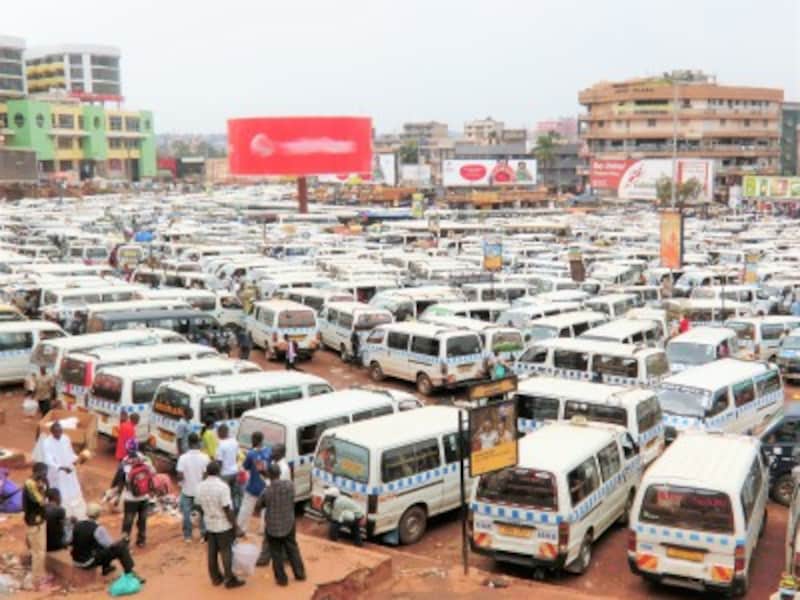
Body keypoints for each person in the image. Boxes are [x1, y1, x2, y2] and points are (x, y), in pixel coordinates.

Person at [195, 462, 245, 589]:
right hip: (223, 525)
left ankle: (216, 578)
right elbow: (227, 509)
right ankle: (229, 579)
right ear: (219, 472)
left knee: (212, 552)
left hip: (210, 524)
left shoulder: (200, 486)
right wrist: (236, 527)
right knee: (226, 551)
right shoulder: (222, 487)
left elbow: (198, 506)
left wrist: (207, 515)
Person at [255, 464, 306, 587]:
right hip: (288, 523)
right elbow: (293, 498)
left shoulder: (266, 491)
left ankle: (282, 580)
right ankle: (300, 574)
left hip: (272, 527)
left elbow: (258, 507)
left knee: (276, 553)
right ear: (279, 473)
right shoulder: (289, 485)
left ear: (269, 475)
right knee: (292, 548)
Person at [72, 503, 143, 581]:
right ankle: (130, 572)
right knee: (120, 548)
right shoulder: (98, 529)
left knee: (99, 545)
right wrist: (123, 540)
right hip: (87, 562)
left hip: (76, 560)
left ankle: (106, 568)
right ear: (98, 515)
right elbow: (111, 545)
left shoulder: (78, 525)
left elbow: (70, 541)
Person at [39, 422, 84, 518]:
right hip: (56, 470)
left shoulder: (66, 438)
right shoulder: (47, 442)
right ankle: (59, 507)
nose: (59, 434)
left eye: (60, 431)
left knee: (72, 488)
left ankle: (73, 505)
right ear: (52, 432)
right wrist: (60, 467)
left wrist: (78, 458)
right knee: (58, 489)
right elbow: (48, 458)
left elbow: (70, 452)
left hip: (68, 468)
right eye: (57, 432)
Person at [118, 440, 155, 548]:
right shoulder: (145, 459)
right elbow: (153, 473)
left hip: (130, 497)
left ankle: (125, 542)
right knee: (142, 519)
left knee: (128, 520)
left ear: (127, 449)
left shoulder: (125, 462)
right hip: (144, 496)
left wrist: (118, 494)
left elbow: (121, 480)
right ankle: (141, 540)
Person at [176, 433, 210, 543]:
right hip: (201, 492)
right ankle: (204, 536)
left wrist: (183, 481)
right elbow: (206, 475)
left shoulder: (183, 458)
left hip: (187, 491)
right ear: (198, 442)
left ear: (188, 443)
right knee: (203, 514)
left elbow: (180, 475)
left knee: (186, 514)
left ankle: (187, 536)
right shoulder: (205, 457)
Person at [237, 431, 271, 534]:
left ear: (254, 440)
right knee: (265, 510)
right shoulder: (269, 451)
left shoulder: (251, 454)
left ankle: (241, 529)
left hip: (253, 486)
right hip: (266, 485)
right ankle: (263, 530)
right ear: (262, 440)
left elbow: (244, 467)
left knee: (246, 509)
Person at [22, 462, 49, 588]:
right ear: (37, 472)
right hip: (34, 522)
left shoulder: (38, 483)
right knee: (38, 553)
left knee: (40, 551)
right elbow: (42, 502)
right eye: (44, 473)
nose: (45, 475)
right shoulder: (30, 485)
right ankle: (36, 581)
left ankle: (40, 575)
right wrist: (42, 488)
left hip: (39, 521)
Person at [215, 424, 241, 513]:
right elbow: (237, 457)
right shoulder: (235, 442)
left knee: (225, 496)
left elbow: (219, 462)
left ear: (222, 432)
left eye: (218, 432)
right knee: (235, 494)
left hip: (224, 474)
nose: (217, 434)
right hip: (235, 471)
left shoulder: (221, 445)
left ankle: (227, 513)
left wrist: (217, 475)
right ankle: (236, 511)